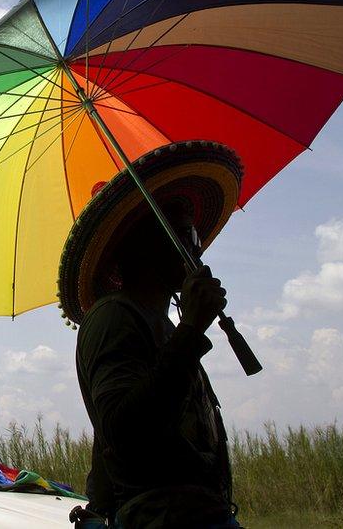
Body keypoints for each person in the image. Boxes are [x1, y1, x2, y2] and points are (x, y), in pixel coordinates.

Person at [58, 142, 243, 528]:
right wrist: (192, 331)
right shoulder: (113, 318)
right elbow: (125, 433)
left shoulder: (162, 325)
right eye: (185, 236)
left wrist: (188, 331)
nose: (196, 250)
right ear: (145, 243)